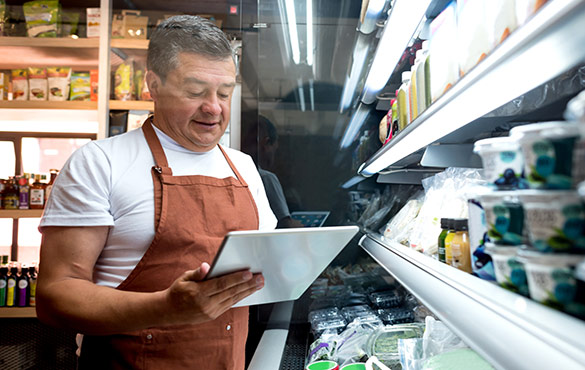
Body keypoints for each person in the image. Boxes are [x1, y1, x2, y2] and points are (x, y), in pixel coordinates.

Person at [36, 15, 277, 370]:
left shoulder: (243, 168)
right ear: (153, 84)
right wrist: (166, 307)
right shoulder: (100, 162)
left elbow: (264, 268)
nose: (214, 107)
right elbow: (55, 296)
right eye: (195, 91)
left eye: (225, 92)